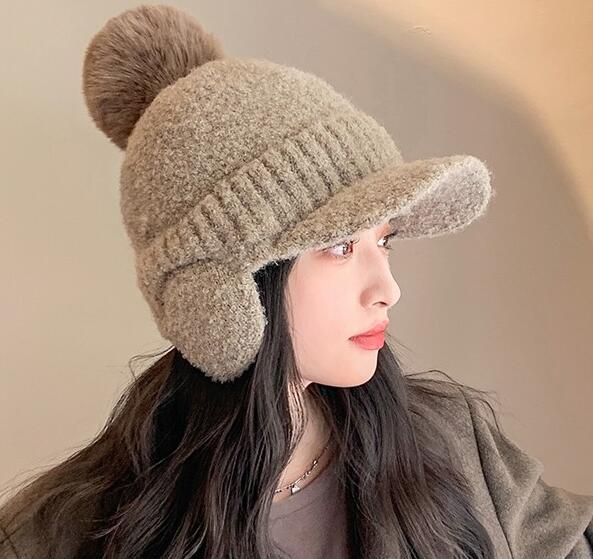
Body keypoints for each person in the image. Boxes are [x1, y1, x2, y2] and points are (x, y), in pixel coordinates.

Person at [1, 4, 592, 558]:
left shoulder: (454, 446)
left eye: (383, 241)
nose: (387, 289)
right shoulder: (66, 531)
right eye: (340, 246)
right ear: (222, 296)